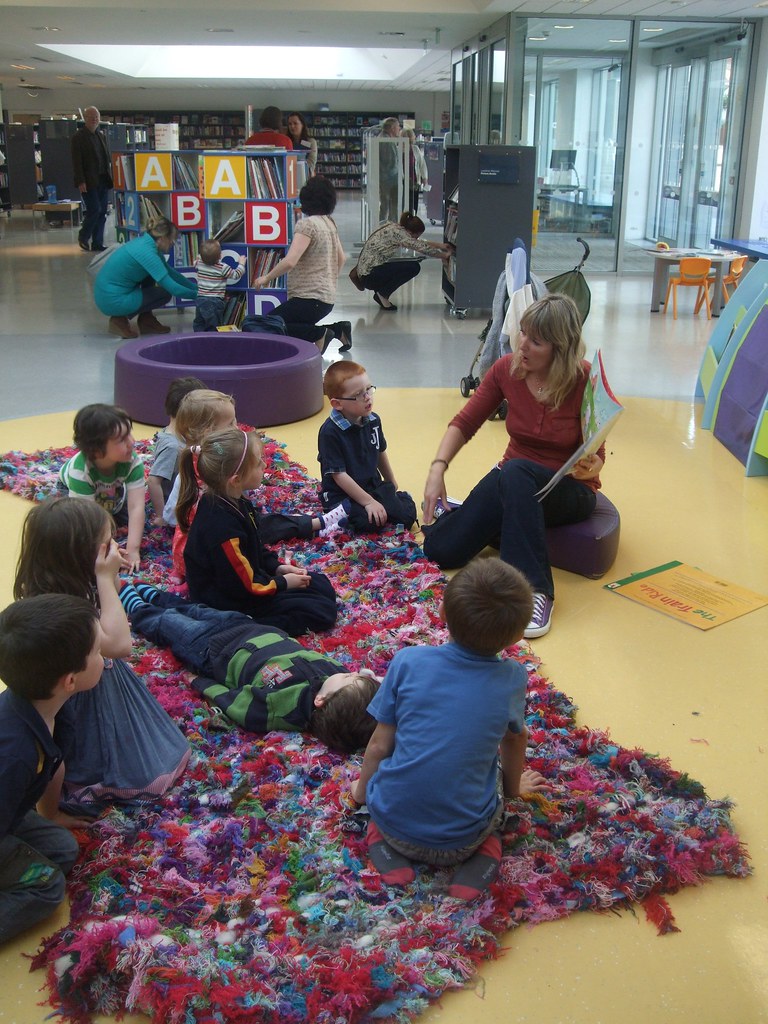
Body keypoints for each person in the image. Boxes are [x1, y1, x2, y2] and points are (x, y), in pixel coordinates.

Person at [350, 557, 549, 899]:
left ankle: (380, 840)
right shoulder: (512, 677)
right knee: (492, 800)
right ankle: (487, 847)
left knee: (382, 797)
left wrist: (359, 794)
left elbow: (380, 746)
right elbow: (514, 740)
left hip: (395, 825)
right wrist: (513, 790)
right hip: (464, 838)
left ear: (441, 613)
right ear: (518, 635)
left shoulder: (408, 662)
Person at [422, 294, 605, 639]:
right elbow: (465, 421)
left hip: (567, 489)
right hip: (513, 480)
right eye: (522, 333)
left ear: (560, 348)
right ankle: (482, 514)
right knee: (439, 549)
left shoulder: (583, 380)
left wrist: (591, 465)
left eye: (535, 341)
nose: (522, 345)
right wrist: (437, 468)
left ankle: (536, 591)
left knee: (516, 472)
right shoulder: (507, 369)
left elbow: (597, 451)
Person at [13, 498, 190, 813]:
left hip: (98, 677)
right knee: (110, 759)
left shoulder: (73, 582)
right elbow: (120, 645)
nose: (114, 548)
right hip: (79, 696)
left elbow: (111, 611)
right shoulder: (62, 610)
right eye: (106, 545)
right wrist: (106, 580)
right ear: (80, 557)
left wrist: (106, 577)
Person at [118, 583, 378, 753]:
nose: (351, 671)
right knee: (196, 609)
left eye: (348, 676)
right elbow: (370, 689)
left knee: (168, 623)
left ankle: (137, 606)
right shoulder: (334, 677)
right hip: (247, 627)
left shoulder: (283, 707)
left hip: (212, 651)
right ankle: (156, 595)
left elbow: (236, 703)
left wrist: (199, 682)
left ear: (321, 700)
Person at [0, 594, 103, 944]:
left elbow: (53, 767)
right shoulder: (15, 755)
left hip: (9, 814)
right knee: (48, 885)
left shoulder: (51, 708)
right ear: (70, 680)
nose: (102, 659)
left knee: (63, 847)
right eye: (97, 653)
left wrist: (53, 813)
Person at [178, 427, 338, 636]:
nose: (264, 465)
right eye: (257, 463)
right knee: (320, 611)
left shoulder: (237, 500)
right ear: (235, 479)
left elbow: (254, 546)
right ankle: (248, 626)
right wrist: (282, 584)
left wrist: (277, 568)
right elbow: (244, 586)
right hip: (229, 601)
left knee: (320, 584)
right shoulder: (221, 529)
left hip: (248, 582)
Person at [251, 176, 351, 353]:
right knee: (292, 323)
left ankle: (320, 334)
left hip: (308, 298)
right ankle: (337, 329)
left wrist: (266, 277)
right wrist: (328, 281)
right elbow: (341, 258)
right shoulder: (329, 223)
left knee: (270, 324)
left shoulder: (307, 225)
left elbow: (290, 261)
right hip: (326, 299)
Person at [318, 360, 417, 533]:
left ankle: (395, 500)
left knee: (406, 516)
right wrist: (368, 502)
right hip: (342, 494)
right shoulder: (330, 432)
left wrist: (391, 482)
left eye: (369, 389)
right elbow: (339, 475)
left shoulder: (374, 420)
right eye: (358, 394)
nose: (367, 397)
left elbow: (380, 452)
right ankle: (333, 520)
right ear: (337, 404)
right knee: (366, 522)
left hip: (372, 486)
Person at [58, 403, 145, 574]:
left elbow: (136, 507)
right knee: (71, 529)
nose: (132, 442)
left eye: (130, 434)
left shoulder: (132, 461)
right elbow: (88, 519)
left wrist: (133, 549)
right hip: (75, 492)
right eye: (122, 439)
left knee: (126, 517)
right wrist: (107, 549)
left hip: (111, 491)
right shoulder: (80, 471)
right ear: (97, 451)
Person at [93, 217, 198, 340]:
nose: (172, 245)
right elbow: (174, 289)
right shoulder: (148, 253)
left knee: (150, 275)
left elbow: (171, 273)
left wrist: (197, 288)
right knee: (164, 293)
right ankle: (119, 320)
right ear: (163, 238)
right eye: (172, 241)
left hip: (106, 294)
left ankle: (146, 321)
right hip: (113, 300)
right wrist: (203, 295)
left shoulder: (145, 243)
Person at [356, 212, 452, 311]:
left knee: (407, 265)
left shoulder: (395, 228)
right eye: (416, 236)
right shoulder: (401, 235)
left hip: (367, 272)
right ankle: (382, 294)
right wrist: (444, 255)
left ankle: (381, 292)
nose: (416, 238)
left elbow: (417, 242)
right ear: (411, 232)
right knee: (413, 267)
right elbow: (421, 247)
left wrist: (440, 246)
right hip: (369, 276)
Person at [147, 375, 206, 526]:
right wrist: (161, 515)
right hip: (176, 506)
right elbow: (154, 481)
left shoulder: (177, 434)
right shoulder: (172, 447)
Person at [70, 106, 112, 254]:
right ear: (85, 119)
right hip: (88, 181)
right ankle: (83, 236)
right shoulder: (78, 137)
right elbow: (77, 162)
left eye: (96, 116)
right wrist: (80, 181)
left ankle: (97, 242)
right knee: (94, 209)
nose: (94, 119)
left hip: (103, 180)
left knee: (102, 212)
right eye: (91, 116)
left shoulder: (102, 136)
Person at [193, 238, 247, 332]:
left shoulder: (199, 263)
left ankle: (198, 338)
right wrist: (241, 264)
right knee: (214, 325)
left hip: (200, 299)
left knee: (199, 322)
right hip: (215, 301)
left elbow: (196, 259)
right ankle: (213, 341)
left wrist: (201, 256)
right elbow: (236, 274)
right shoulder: (222, 267)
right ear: (220, 256)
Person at [377, 117, 402, 223]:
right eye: (398, 126)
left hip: (386, 179)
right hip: (389, 180)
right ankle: (390, 228)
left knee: (386, 205)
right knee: (391, 205)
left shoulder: (384, 138)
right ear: (392, 128)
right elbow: (390, 163)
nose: (399, 129)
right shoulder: (387, 141)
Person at [401, 128, 428, 216]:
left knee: (414, 204)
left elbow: (422, 164)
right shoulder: (398, 149)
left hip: (414, 181)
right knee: (404, 204)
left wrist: (425, 178)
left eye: (410, 137)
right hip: (402, 181)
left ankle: (412, 221)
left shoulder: (415, 149)